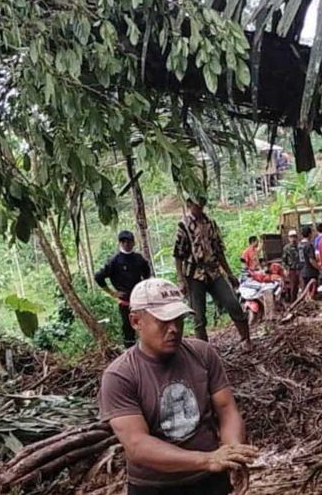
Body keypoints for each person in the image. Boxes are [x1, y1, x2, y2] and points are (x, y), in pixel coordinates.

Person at [99, 278, 259, 495]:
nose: (174, 329)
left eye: (179, 319)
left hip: (210, 480)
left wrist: (233, 454)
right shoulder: (120, 375)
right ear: (136, 321)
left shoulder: (202, 354)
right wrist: (207, 459)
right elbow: (137, 445)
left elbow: (226, 408)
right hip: (157, 488)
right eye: (163, 322)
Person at [174, 197, 251, 350]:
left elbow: (219, 251)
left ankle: (246, 339)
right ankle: (204, 350)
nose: (198, 207)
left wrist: (229, 273)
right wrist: (181, 279)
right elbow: (178, 255)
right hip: (194, 274)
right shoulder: (184, 225)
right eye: (195, 204)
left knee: (232, 303)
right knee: (198, 316)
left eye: (200, 204)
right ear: (189, 205)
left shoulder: (211, 224)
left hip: (214, 271)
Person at [95, 230, 152, 348]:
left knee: (146, 326)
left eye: (129, 241)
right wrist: (112, 293)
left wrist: (144, 288)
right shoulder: (115, 261)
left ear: (133, 242)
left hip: (140, 301)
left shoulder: (138, 258)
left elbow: (147, 274)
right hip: (125, 302)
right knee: (128, 329)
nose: (127, 244)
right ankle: (130, 354)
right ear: (120, 243)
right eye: (123, 242)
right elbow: (99, 276)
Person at [299, 226, 320, 298]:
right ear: (310, 234)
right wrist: (319, 268)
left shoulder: (299, 245)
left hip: (302, 271)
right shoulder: (309, 245)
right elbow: (311, 260)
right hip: (310, 272)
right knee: (312, 291)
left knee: (305, 291)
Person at [281, 230, 301, 301]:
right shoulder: (286, 248)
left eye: (294, 237)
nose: (293, 239)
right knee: (294, 287)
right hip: (292, 270)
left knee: (303, 287)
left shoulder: (300, 247)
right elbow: (283, 261)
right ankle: (293, 302)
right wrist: (285, 269)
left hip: (300, 269)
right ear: (289, 238)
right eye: (291, 237)